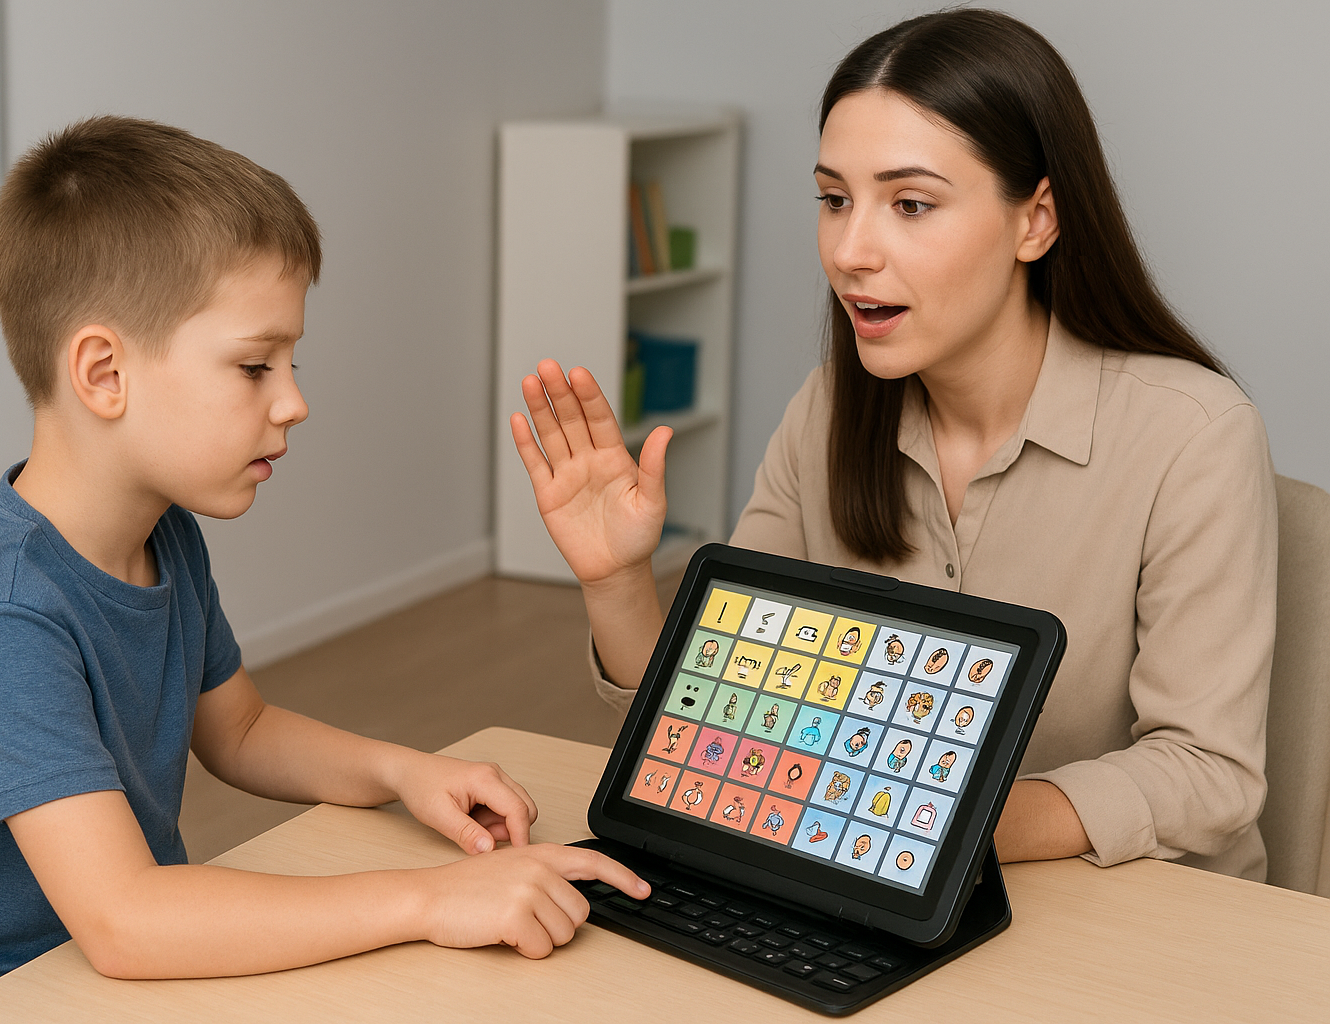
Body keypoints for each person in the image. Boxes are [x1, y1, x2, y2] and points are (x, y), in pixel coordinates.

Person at [0, 116, 645, 1024]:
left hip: (95, 984)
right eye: (255, 366)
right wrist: (429, 898)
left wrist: (403, 772)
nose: (295, 401)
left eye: (291, 362)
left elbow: (241, 730)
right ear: (104, 373)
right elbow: (127, 920)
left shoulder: (164, 534)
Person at [510, 10, 1275, 878]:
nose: (850, 250)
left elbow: (1208, 773)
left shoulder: (1193, 434)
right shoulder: (832, 406)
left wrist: (914, 833)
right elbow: (718, 726)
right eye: (834, 199)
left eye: (910, 204)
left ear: (1037, 220)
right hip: (867, 891)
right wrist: (614, 581)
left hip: (1135, 917)